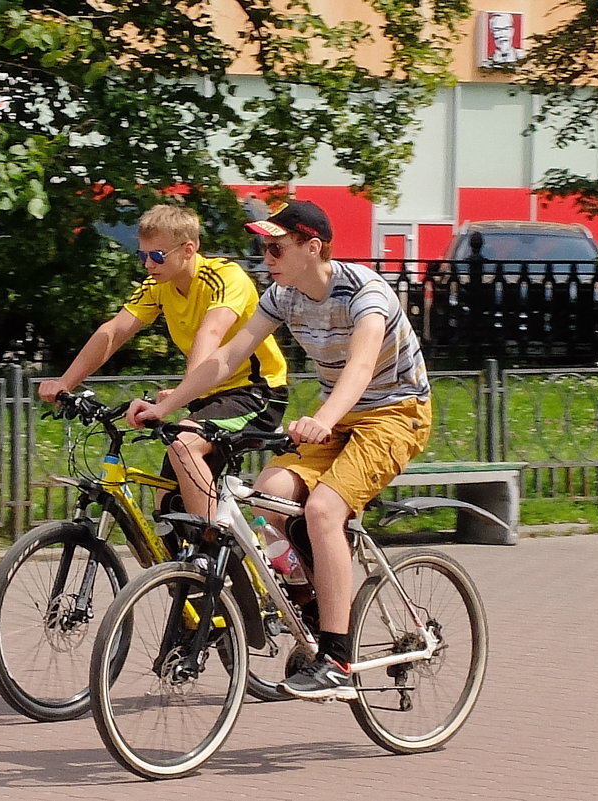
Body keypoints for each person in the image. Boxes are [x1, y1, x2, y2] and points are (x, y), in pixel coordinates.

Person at [126, 200, 433, 701]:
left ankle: (336, 657)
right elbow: (227, 355)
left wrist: (322, 420)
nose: (265, 256)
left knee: (323, 509)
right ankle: (318, 594)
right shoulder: (283, 295)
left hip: (396, 414)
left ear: (312, 247)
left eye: (276, 247)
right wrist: (172, 406)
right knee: (268, 494)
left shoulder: (365, 293)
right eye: (262, 247)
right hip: (341, 415)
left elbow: (358, 370)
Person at [38, 204, 289, 522]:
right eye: (142, 256)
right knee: (168, 509)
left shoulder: (225, 277)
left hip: (256, 392)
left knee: (184, 447)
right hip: (208, 394)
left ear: (189, 249)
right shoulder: (159, 286)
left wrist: (182, 395)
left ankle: (210, 555)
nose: (148, 265)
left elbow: (210, 334)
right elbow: (114, 332)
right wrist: (64, 383)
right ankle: (185, 566)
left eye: (157, 256)